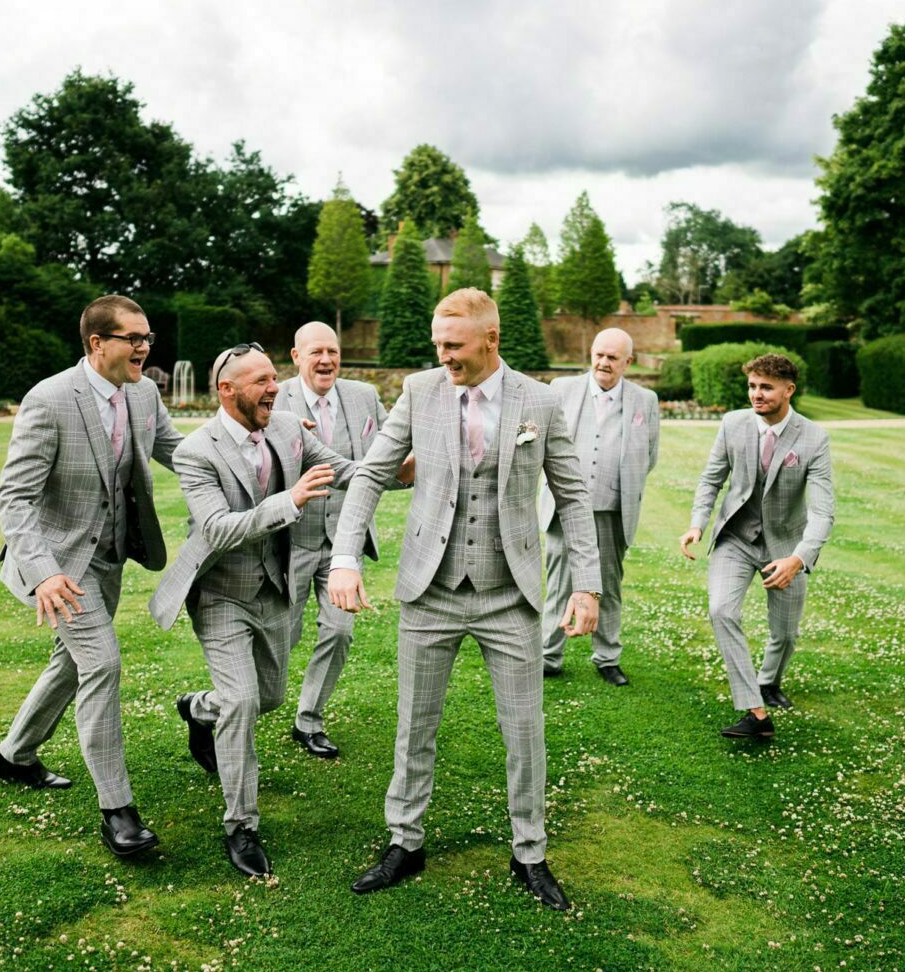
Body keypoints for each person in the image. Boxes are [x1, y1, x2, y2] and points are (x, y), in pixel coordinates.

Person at [329, 288, 601, 911]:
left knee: (524, 730)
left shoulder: (540, 399)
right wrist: (345, 557)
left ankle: (529, 851)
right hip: (431, 589)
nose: (443, 356)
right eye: (438, 345)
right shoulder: (421, 391)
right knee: (414, 724)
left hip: (511, 593)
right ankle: (406, 840)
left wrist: (585, 583)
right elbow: (372, 473)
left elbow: (573, 493)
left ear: (491, 340)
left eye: (454, 346)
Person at [148, 344, 408, 878]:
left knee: (265, 697)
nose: (275, 387)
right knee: (243, 702)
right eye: (262, 381)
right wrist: (289, 502)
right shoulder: (197, 451)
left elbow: (341, 469)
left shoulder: (289, 427)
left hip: (276, 590)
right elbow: (217, 527)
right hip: (222, 593)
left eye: (274, 377)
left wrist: (404, 471)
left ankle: (199, 709)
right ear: (227, 390)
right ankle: (240, 825)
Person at [0, 294, 184, 858]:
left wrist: (254, 453)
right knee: (101, 662)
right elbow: (16, 498)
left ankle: (12, 756)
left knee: (70, 662)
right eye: (135, 339)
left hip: (110, 559)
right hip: (60, 567)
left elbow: (178, 451)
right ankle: (117, 812)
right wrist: (44, 574)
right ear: (98, 343)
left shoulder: (144, 393)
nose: (145, 349)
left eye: (148, 339)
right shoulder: (49, 400)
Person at [681, 353, 834, 739]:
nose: (756, 394)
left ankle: (769, 681)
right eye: (752, 386)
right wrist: (698, 523)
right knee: (721, 609)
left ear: (788, 390)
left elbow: (822, 512)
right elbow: (710, 480)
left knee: (784, 634)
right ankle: (756, 710)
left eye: (766, 387)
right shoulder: (733, 424)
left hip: (785, 545)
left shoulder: (814, 438)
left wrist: (798, 558)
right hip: (735, 538)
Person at [273, 321, 390, 758]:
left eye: (333, 352)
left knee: (340, 632)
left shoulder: (364, 397)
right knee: (279, 640)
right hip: (287, 541)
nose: (327, 360)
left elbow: (387, 461)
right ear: (296, 356)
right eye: (317, 352)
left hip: (343, 543)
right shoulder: (274, 396)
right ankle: (222, 708)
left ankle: (309, 720)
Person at [539, 328, 661, 687]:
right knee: (560, 582)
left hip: (613, 509)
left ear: (628, 362)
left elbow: (649, 455)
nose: (604, 363)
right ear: (591, 354)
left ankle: (607, 657)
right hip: (565, 506)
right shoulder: (562, 389)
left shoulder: (645, 400)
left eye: (612, 357)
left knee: (607, 585)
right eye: (599, 355)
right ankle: (548, 654)